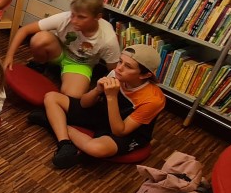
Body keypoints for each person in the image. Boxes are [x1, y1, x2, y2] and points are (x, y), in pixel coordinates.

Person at [32, 45, 166, 169]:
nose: (119, 68)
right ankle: (64, 144)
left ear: (145, 75)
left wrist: (111, 97)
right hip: (104, 113)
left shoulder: (153, 100)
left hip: (127, 131)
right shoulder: (115, 74)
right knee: (51, 97)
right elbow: (84, 103)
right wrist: (97, 90)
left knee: (96, 149)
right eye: (120, 61)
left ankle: (54, 123)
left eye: (128, 66)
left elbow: (119, 131)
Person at [3, 0, 121, 98]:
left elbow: (114, 70)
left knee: (72, 96)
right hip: (58, 51)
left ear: (98, 17)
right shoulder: (65, 18)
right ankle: (40, 65)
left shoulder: (108, 39)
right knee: (39, 39)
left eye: (81, 17)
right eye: (73, 14)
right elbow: (24, 30)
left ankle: (64, 75)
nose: (74, 20)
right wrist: (9, 56)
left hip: (79, 64)